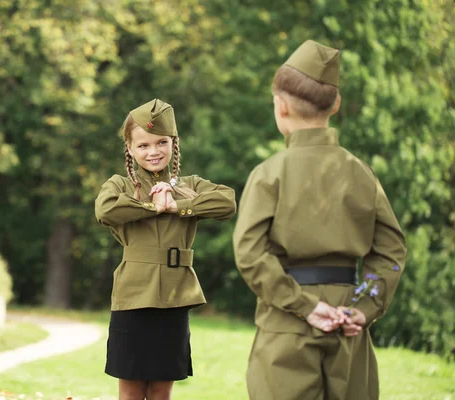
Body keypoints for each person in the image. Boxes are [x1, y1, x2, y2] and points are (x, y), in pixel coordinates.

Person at [232, 40, 407, 400]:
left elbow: (249, 253)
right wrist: (364, 307)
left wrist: (306, 307)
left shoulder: (269, 174)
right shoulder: (362, 173)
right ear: (336, 104)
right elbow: (391, 250)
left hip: (285, 322)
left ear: (281, 106)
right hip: (348, 322)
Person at [95, 99, 236, 400]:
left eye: (162, 142)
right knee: (131, 390)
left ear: (174, 143)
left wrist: (177, 205)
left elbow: (227, 202)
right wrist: (152, 207)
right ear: (130, 149)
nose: (154, 151)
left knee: (161, 390)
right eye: (143, 145)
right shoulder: (120, 184)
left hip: (174, 297)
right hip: (133, 297)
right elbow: (105, 210)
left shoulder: (190, 184)